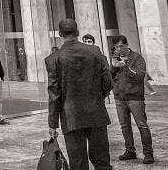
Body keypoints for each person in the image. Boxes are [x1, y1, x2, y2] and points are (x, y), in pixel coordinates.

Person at [46, 19, 113, 170]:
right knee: (102, 160)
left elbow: (54, 94)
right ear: (77, 32)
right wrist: (98, 96)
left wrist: (52, 123)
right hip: (96, 111)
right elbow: (108, 81)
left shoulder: (53, 59)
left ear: (60, 34)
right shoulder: (95, 51)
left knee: (78, 162)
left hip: (71, 115)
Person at [111, 35, 154, 164]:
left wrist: (126, 66)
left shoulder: (137, 58)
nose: (118, 49)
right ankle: (130, 150)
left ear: (126, 44)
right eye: (116, 47)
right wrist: (114, 67)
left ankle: (148, 153)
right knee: (124, 126)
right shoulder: (115, 59)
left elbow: (140, 76)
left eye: (120, 46)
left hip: (135, 98)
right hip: (120, 98)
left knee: (142, 125)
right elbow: (109, 77)